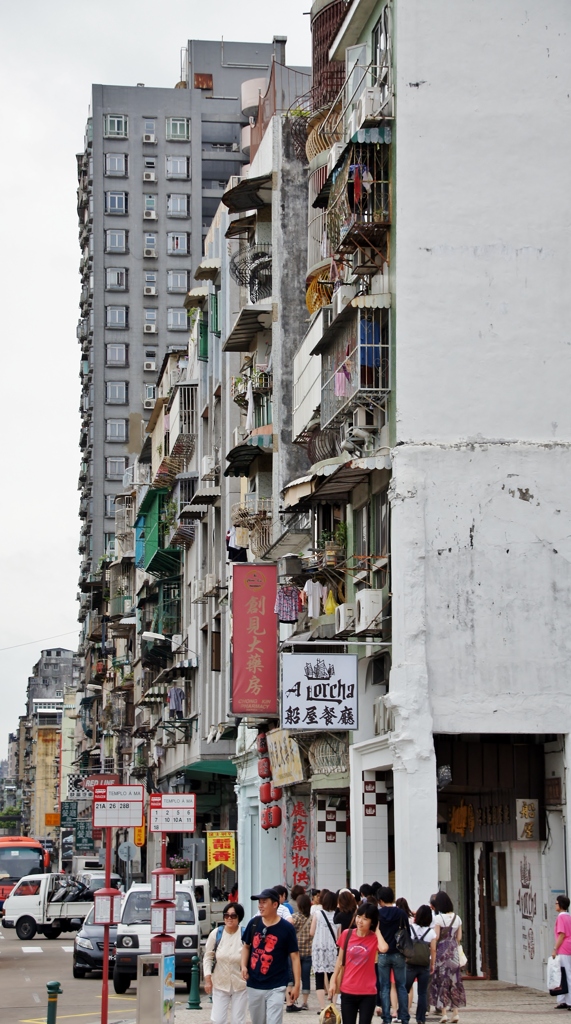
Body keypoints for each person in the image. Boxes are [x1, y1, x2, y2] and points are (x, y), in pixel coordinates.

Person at [242, 889, 301, 1024]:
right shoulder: (254, 923)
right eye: (259, 902)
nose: (260, 906)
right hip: (254, 983)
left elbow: (295, 956)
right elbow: (246, 946)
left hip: (277, 985)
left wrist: (297, 984)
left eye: (264, 902)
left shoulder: (286, 928)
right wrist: (243, 966)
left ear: (275, 904)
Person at [328, 902, 388, 1024]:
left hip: (368, 992)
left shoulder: (374, 938)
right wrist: (333, 981)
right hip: (348, 989)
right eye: (359, 916)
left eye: (365, 919)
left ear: (372, 921)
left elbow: (383, 948)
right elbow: (339, 960)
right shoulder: (347, 934)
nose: (360, 921)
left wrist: (377, 930)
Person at [203, 903, 247, 1024]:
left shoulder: (245, 934)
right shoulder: (216, 934)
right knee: (218, 1020)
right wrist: (207, 979)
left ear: (239, 918)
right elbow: (208, 956)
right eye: (226, 915)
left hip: (240, 984)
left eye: (233, 916)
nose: (229, 918)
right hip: (220, 983)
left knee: (238, 1020)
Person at [428, 891, 466, 1023]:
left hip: (441, 953)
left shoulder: (439, 919)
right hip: (454, 952)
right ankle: (455, 1012)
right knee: (454, 981)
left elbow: (436, 937)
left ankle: (443, 1013)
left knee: (442, 981)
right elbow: (459, 938)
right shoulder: (458, 918)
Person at [377, 886, 410, 1024]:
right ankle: (404, 1017)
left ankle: (386, 1017)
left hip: (383, 954)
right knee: (401, 986)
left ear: (381, 900)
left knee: (384, 986)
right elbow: (407, 932)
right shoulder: (401, 913)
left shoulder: (378, 914)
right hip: (399, 953)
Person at [404, 905, 437, 1024]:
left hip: (410, 963)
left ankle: (403, 1014)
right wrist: (432, 964)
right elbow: (433, 950)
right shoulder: (431, 933)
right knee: (422, 993)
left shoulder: (410, 928)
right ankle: (420, 1018)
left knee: (404, 989)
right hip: (424, 964)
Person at [310, 889, 340, 1010]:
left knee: (319, 978)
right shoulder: (337, 916)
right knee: (334, 977)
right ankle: (332, 1005)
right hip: (332, 950)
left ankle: (322, 1007)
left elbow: (312, 932)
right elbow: (339, 936)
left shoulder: (317, 914)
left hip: (319, 949)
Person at [290, 893, 313, 1010]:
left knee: (294, 977)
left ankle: (293, 999)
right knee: (306, 977)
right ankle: (305, 1002)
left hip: (296, 953)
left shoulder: (295, 917)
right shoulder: (312, 918)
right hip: (308, 952)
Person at [552, 894, 571, 1009]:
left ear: (560, 904)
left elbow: (561, 935)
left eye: (556, 903)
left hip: (563, 948)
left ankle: (569, 1001)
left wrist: (555, 949)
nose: (555, 905)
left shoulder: (561, 917)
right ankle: (562, 999)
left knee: (566, 974)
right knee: (564, 973)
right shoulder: (568, 916)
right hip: (567, 947)